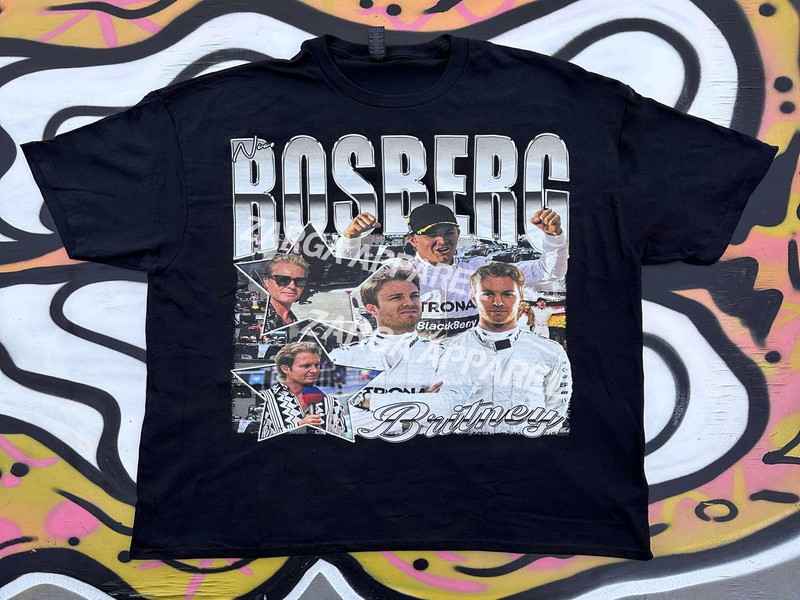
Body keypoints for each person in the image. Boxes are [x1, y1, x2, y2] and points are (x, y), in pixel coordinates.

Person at [335, 204, 567, 338]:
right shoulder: (398, 269)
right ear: (412, 240)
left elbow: (547, 272)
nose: (442, 241)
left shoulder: (479, 270)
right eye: (431, 235)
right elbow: (345, 266)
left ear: (458, 234)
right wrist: (351, 237)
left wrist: (554, 236)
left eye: (449, 232)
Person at [437, 262, 573, 435]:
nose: (498, 302)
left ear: (521, 296)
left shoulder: (551, 352)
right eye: (488, 294)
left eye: (507, 294)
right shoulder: (445, 351)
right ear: (473, 296)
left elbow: (556, 411)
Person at [257, 341, 349, 441]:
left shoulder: (332, 402)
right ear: (285, 369)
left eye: (317, 365)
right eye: (306, 366)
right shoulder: (264, 400)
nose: (315, 370)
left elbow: (340, 442)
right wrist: (298, 426)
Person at [259, 254, 309, 331]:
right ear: (266, 282)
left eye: (299, 281)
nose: (292, 286)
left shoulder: (294, 321)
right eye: (282, 280)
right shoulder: (254, 319)